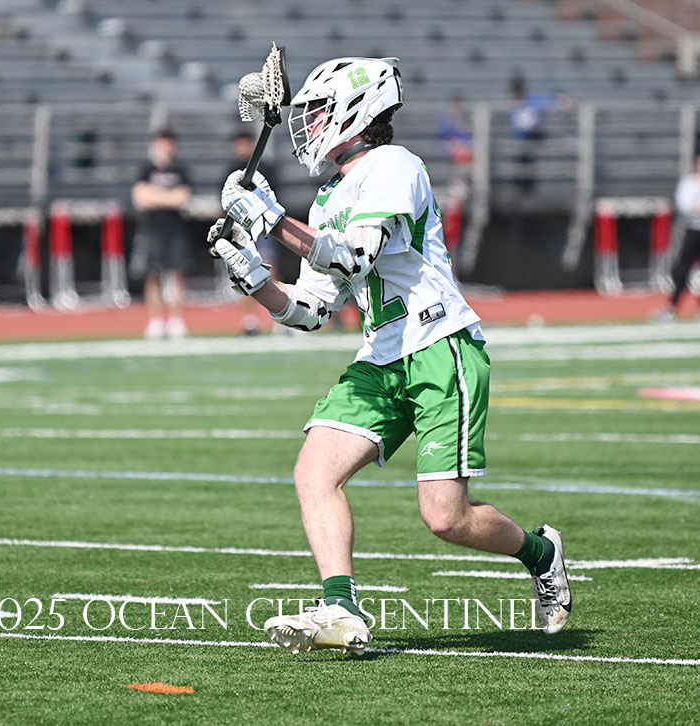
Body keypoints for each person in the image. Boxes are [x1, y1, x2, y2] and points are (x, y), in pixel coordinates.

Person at [210, 56, 571, 654]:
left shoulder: (395, 166)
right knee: (313, 472)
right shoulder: (327, 199)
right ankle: (340, 608)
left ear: (358, 111)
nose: (309, 124)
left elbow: (354, 255)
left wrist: (271, 221)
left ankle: (540, 552)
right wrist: (254, 279)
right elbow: (311, 311)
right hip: (381, 357)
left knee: (446, 518)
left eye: (320, 111)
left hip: (439, 348)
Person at [131, 128, 192, 340]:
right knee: (152, 274)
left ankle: (176, 320)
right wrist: (168, 197)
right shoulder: (146, 169)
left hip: (175, 228)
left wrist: (154, 196)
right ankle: (156, 321)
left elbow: (182, 198)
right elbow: (140, 199)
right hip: (152, 228)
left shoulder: (180, 170)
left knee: (176, 274)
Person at [224, 130, 281, 335]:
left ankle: (278, 316)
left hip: (262, 225)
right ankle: (249, 319)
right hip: (241, 228)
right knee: (242, 271)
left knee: (270, 267)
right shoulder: (231, 170)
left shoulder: (264, 168)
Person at [657, 153, 700, 321]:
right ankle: (672, 307)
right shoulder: (688, 183)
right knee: (683, 269)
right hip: (693, 231)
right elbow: (685, 206)